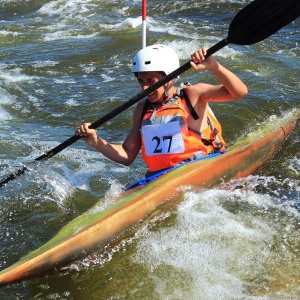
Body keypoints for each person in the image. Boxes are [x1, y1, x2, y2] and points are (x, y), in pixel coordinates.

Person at [76, 44, 248, 177]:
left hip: (200, 166)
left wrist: (213, 66)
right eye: (141, 81)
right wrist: (96, 141)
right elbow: (127, 155)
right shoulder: (142, 108)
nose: (144, 87)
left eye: (151, 81)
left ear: (169, 78)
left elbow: (239, 92)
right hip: (159, 177)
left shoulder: (192, 95)